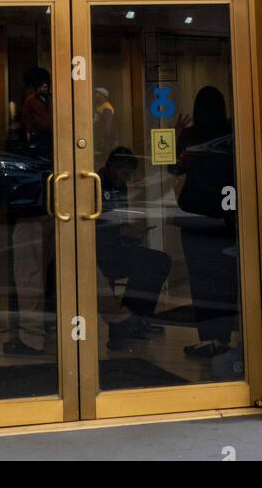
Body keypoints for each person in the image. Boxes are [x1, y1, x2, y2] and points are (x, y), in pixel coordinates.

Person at [171, 85, 242, 368]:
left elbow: (172, 169)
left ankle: (208, 338)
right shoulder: (231, 133)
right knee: (226, 279)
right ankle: (224, 338)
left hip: (195, 218)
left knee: (199, 279)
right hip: (225, 217)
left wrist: (175, 135)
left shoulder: (190, 136)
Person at [96, 147, 171, 349]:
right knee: (150, 262)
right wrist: (122, 231)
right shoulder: (95, 184)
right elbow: (92, 227)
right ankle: (126, 320)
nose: (127, 179)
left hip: (115, 247)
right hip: (99, 251)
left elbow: (119, 221)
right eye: (125, 173)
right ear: (112, 167)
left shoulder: (120, 188)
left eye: (129, 175)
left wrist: (132, 234)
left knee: (158, 261)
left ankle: (136, 317)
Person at [5, 65, 54, 357]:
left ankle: (32, 338)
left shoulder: (33, 111)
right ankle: (120, 319)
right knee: (76, 266)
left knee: (28, 273)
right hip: (55, 201)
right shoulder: (58, 110)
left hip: (33, 202)